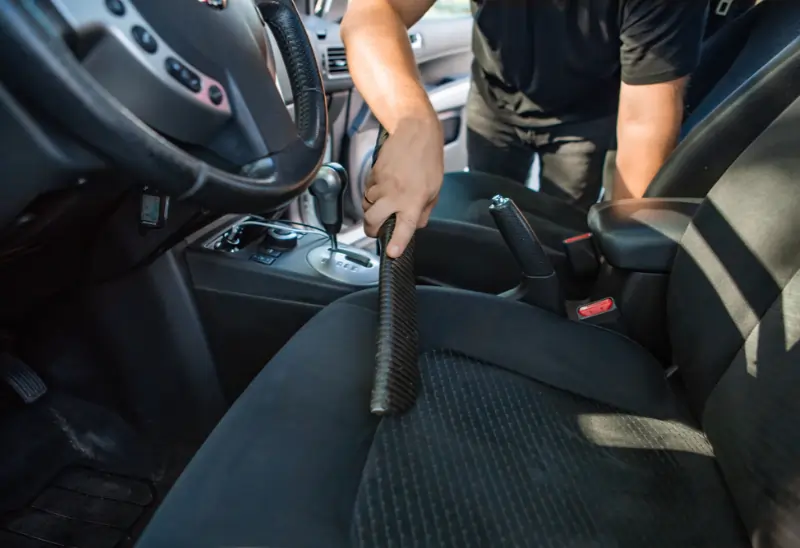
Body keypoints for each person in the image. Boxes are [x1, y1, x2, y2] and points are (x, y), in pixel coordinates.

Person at [341, 0, 708, 258]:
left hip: (582, 122)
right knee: (483, 221)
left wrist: (621, 258)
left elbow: (643, 123)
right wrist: (414, 123)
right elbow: (374, 11)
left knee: (564, 239)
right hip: (493, 100)